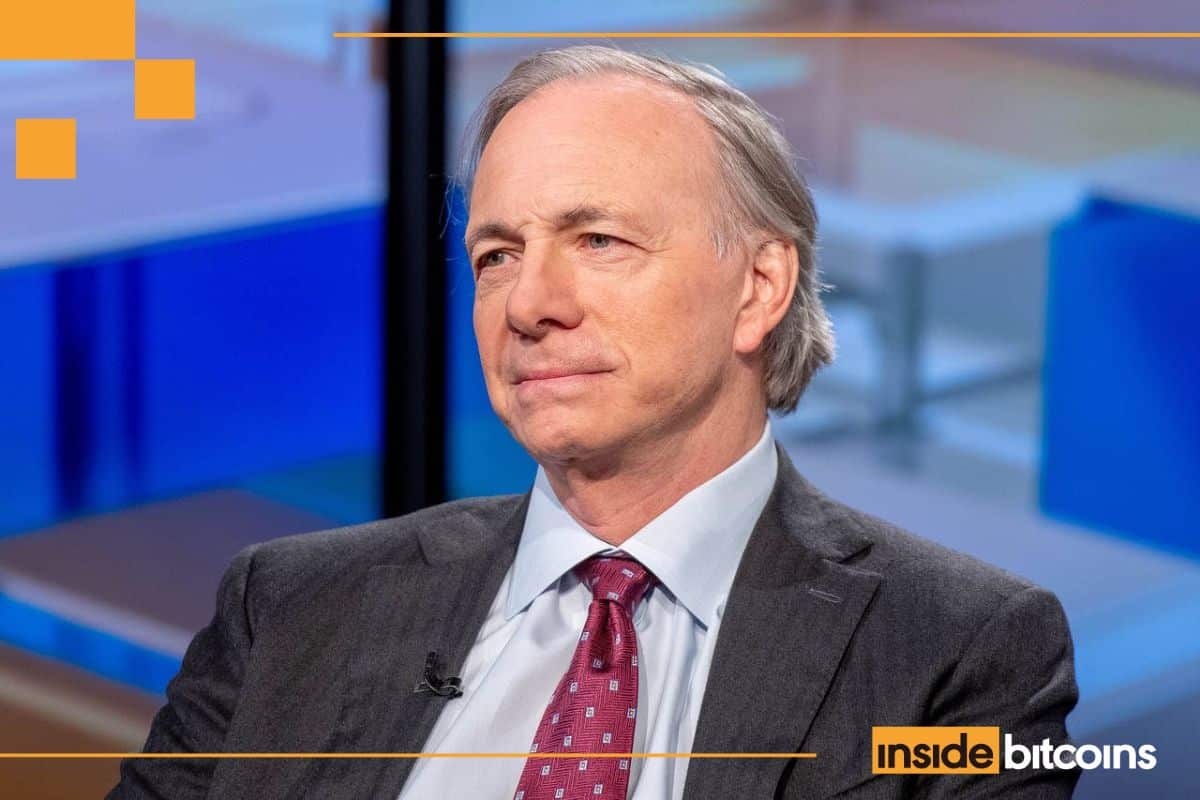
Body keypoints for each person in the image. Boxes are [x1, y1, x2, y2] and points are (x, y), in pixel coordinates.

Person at [109, 45, 1080, 799]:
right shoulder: (287, 605)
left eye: (599, 240)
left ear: (759, 286)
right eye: (497, 256)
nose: (531, 304)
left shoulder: (960, 650)